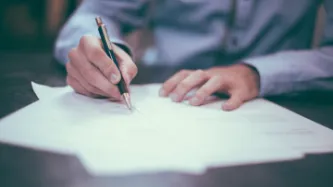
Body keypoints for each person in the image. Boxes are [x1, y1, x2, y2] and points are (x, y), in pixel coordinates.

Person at [54, 0, 333, 111]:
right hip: (165, 92)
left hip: (285, 101)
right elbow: (95, 14)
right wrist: (105, 53)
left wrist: (256, 73)